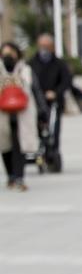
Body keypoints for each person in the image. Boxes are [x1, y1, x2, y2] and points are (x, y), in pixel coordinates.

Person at [28, 34, 71, 170]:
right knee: (39, 131)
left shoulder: (59, 64)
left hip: (54, 103)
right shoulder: (31, 64)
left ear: (52, 47)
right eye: (42, 46)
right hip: (36, 104)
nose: (44, 49)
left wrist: (56, 93)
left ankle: (53, 154)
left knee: (54, 131)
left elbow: (66, 81)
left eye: (47, 46)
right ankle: (40, 153)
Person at [0, 42, 31, 190]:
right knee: (5, 146)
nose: (8, 56)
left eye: (11, 52)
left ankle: (19, 177)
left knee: (20, 146)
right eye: (5, 53)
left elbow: (32, 89)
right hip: (3, 113)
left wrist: (43, 112)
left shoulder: (25, 69)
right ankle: (11, 175)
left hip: (22, 113)